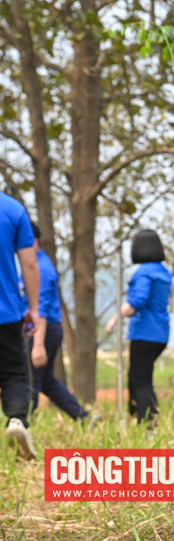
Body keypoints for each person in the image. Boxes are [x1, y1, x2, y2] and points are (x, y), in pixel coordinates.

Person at [21, 222, 88, 422]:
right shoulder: (35, 264)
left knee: (30, 379)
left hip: (42, 329)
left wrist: (38, 345)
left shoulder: (39, 268)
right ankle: (83, 417)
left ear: (33, 241)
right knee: (46, 381)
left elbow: (40, 309)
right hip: (46, 328)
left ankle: (22, 422)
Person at [105, 229, 173, 425]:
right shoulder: (163, 272)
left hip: (145, 333)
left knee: (140, 381)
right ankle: (139, 416)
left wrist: (115, 318)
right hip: (160, 333)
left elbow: (137, 301)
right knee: (140, 378)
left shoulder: (144, 273)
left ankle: (147, 424)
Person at [0, 191, 40, 459]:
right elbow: (29, 263)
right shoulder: (13, 209)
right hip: (6, 311)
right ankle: (16, 420)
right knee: (13, 373)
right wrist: (33, 308)